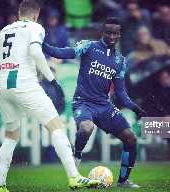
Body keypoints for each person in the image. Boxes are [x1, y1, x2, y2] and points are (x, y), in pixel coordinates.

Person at [0, 0, 101, 191]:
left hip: (3, 87)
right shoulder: (35, 27)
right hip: (25, 83)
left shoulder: (2, 32)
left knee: (11, 135)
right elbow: (37, 52)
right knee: (57, 128)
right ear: (36, 15)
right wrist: (52, 79)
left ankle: (0, 185)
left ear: (19, 13)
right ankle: (74, 177)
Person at [42, 17, 147, 188]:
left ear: (120, 35)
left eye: (115, 33)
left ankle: (123, 181)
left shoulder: (120, 60)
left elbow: (120, 92)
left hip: (104, 106)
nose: (112, 36)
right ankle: (77, 156)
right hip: (83, 102)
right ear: (102, 32)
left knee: (131, 138)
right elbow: (63, 53)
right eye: (109, 32)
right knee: (86, 128)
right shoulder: (88, 46)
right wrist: (42, 44)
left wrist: (134, 107)